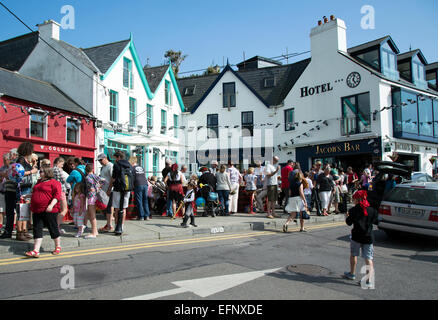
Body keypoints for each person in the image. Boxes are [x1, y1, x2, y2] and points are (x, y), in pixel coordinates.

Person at [1, 143, 38, 240]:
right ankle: (19, 232)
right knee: (20, 209)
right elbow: (18, 173)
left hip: (18, 188)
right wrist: (32, 171)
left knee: (21, 210)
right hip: (18, 188)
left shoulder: (22, 160)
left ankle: (19, 231)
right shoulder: (21, 160)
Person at [343, 190, 378, 289]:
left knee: (354, 254)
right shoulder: (372, 210)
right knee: (368, 258)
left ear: (358, 199)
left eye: (354, 199)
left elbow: (348, 223)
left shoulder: (353, 210)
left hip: (356, 236)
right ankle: (368, 281)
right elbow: (376, 221)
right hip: (368, 237)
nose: (353, 200)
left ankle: (352, 273)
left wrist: (347, 216)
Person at [25, 167, 62, 258]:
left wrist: (51, 205)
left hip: (49, 209)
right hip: (37, 209)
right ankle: (36, 250)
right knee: (37, 229)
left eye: (41, 171)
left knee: (52, 227)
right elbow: (35, 193)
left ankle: (58, 246)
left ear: (47, 172)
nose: (39, 173)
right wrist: (27, 196)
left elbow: (57, 196)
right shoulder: (39, 182)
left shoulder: (54, 182)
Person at [106, 151, 132, 236]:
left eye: (115, 158)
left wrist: (109, 188)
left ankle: (117, 226)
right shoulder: (129, 165)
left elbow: (113, 178)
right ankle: (122, 226)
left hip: (117, 188)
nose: (115, 160)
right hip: (127, 189)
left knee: (117, 208)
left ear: (118, 157)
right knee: (123, 208)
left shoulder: (116, 165)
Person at [83, 164, 105, 238]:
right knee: (93, 215)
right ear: (92, 169)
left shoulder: (87, 177)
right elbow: (104, 180)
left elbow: (90, 185)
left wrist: (92, 188)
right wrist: (99, 187)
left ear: (86, 170)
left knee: (92, 215)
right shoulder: (96, 176)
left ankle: (94, 232)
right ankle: (95, 231)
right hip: (96, 196)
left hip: (91, 197)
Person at [51, 157, 69, 235]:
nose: (62, 166)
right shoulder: (57, 170)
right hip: (61, 191)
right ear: (58, 162)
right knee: (64, 209)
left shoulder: (51, 169)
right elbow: (63, 180)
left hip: (54, 191)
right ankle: (57, 226)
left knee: (57, 209)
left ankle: (56, 226)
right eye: (62, 164)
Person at [97, 153, 114, 232]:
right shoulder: (103, 167)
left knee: (110, 207)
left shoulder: (110, 166)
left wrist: (109, 189)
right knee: (107, 207)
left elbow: (113, 178)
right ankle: (108, 224)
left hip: (109, 190)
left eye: (101, 160)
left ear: (105, 158)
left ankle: (109, 225)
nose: (100, 162)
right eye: (99, 160)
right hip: (104, 190)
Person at [129, 156, 150, 221]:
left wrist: (131, 186)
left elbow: (132, 178)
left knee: (139, 201)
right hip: (145, 184)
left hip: (138, 184)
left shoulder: (132, 168)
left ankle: (141, 216)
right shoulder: (141, 167)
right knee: (145, 200)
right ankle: (147, 215)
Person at [0, 153, 11, 231]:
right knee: (1, 209)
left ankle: (11, 225)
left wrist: (5, 175)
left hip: (10, 191)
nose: (4, 162)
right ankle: (0, 224)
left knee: (10, 210)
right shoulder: (2, 168)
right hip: (2, 190)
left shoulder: (12, 168)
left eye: (5, 160)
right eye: (3, 160)